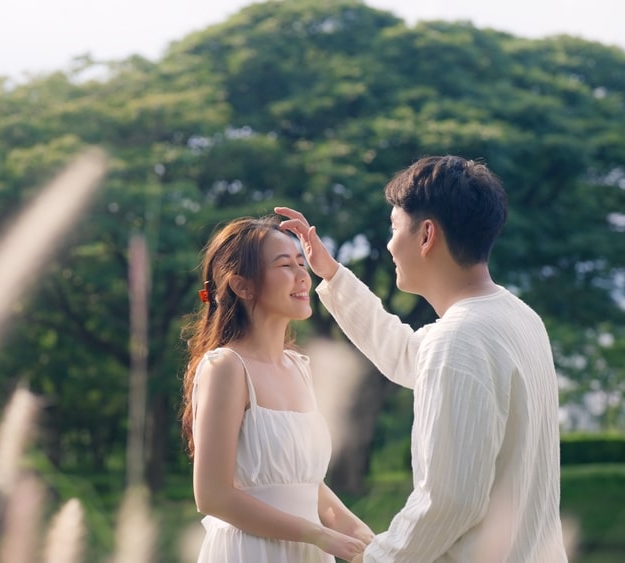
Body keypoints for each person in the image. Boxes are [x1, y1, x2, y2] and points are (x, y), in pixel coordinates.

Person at [276, 155, 569, 562]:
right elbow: (404, 352)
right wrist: (332, 275)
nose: (389, 245)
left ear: (426, 235)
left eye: (394, 229)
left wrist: (378, 558)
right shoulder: (517, 317)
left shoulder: (460, 338)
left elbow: (449, 500)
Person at [180, 215, 374, 563]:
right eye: (285, 265)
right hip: (250, 551)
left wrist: (366, 539)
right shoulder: (226, 367)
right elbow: (212, 495)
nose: (303, 275)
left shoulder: (300, 368)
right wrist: (317, 534)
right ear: (242, 286)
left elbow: (307, 487)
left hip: (310, 552)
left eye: (302, 263)